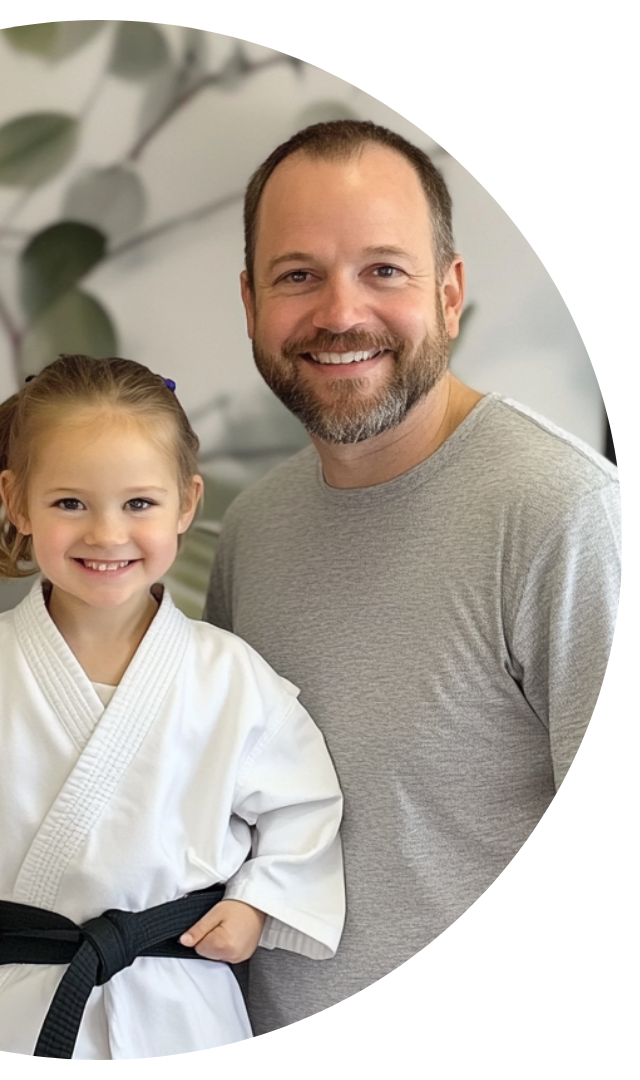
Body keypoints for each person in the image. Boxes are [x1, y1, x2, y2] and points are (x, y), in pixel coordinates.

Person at [204, 120, 622, 1029]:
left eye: (383, 270)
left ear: (450, 291)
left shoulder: (569, 515)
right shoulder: (250, 532)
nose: (340, 313)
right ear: (250, 302)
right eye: (297, 275)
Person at [0, 355, 346, 1058]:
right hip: (24, 994)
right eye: (70, 503)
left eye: (139, 503)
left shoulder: (232, 678)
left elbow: (304, 806)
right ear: (16, 502)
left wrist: (259, 901)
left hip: (182, 1000)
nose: (107, 534)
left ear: (187, 503)